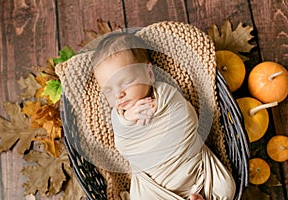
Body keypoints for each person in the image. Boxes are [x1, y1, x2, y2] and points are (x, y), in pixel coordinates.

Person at [92, 32, 236, 200]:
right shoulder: (119, 118)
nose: (119, 94)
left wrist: (161, 111)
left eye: (125, 82)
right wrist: (129, 120)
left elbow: (189, 119)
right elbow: (124, 146)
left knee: (227, 188)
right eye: (108, 90)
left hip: (198, 170)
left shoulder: (166, 94)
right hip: (154, 187)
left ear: (149, 74)